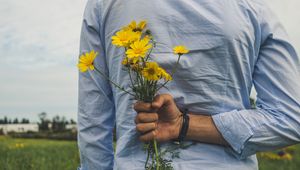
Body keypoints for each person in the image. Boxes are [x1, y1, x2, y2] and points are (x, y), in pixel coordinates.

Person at [77, 0, 300, 169]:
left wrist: (181, 125)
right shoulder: (251, 6)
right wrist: (185, 125)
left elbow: (93, 123)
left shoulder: (104, 5)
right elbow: (291, 118)